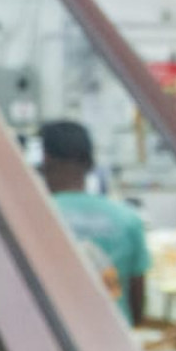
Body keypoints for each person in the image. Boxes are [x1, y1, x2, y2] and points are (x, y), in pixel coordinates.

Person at [41, 119, 150, 324]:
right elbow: (137, 304)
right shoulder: (128, 219)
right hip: (114, 338)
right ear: (90, 163)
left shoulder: (33, 216)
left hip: (55, 335)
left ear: (46, 160)